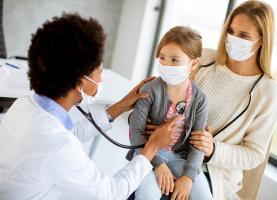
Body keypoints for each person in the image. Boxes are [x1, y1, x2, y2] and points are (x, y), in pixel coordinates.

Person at [0, 14, 180, 200]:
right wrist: (152, 147)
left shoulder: (25, 105)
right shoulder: (57, 145)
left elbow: (68, 137)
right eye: (99, 71)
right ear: (80, 82)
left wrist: (118, 108)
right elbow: (112, 193)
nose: (101, 79)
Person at [145, 1, 277, 199]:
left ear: (262, 40)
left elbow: (254, 155)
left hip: (211, 171)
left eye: (244, 36)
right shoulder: (203, 59)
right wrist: (155, 125)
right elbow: (164, 94)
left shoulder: (267, 91)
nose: (233, 39)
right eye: (231, 31)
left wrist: (213, 149)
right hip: (169, 151)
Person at [129, 26, 212, 200]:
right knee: (148, 195)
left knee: (204, 196)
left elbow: (198, 144)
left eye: (174, 60)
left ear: (194, 64)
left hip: (180, 158)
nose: (166, 64)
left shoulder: (200, 99)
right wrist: (158, 165)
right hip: (147, 154)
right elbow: (136, 134)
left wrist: (188, 178)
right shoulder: (149, 90)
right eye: (162, 58)